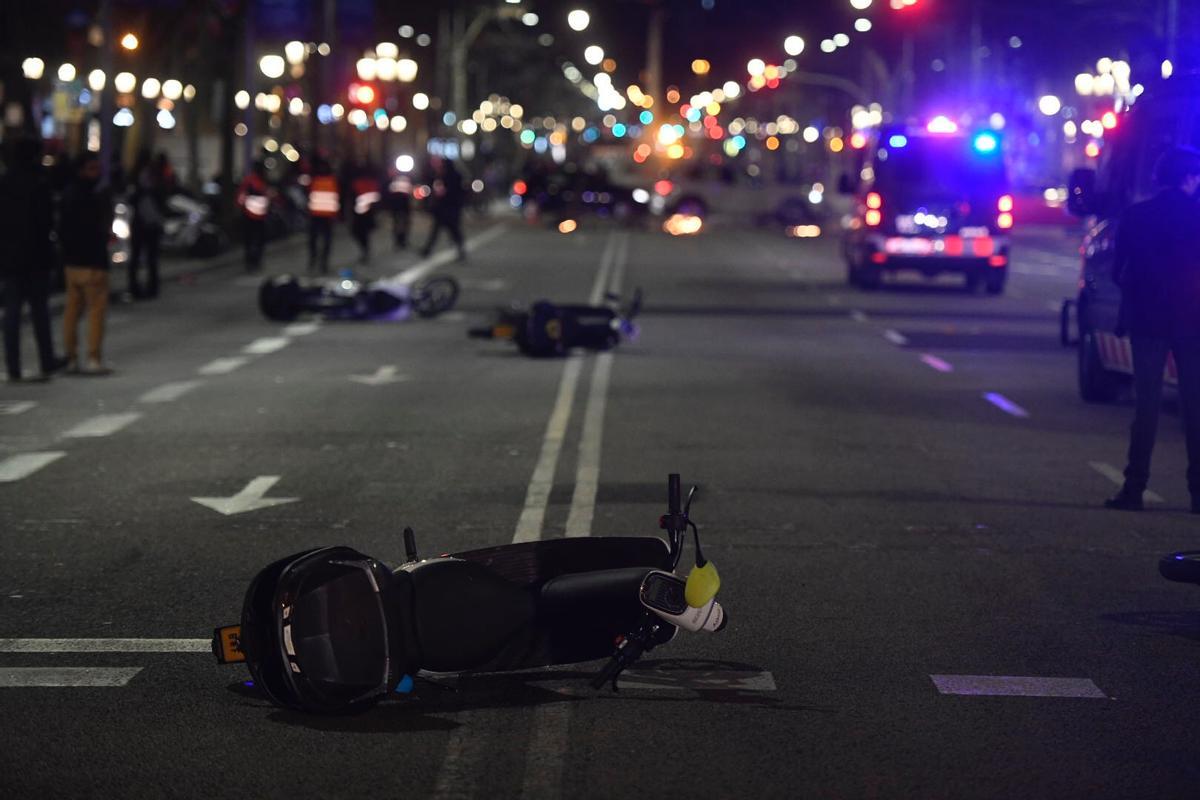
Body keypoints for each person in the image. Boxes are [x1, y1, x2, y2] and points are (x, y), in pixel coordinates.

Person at [1105, 146, 1200, 514]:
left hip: (1147, 320)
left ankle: (1134, 488)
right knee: (1195, 406)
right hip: (1193, 320)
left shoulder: (1136, 215)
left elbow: (1118, 271)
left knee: (1146, 405)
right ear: (1189, 178)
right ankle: (1197, 494)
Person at [0, 137, 61, 383]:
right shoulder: (38, 182)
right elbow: (46, 220)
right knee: (39, 311)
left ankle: (13, 364)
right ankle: (46, 359)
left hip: (10, 255)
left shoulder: (5, 182)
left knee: (12, 312)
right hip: (35, 255)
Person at [59, 153, 115, 375]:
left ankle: (71, 357)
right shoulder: (93, 196)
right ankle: (93, 357)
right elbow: (99, 228)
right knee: (95, 311)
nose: (97, 173)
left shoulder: (68, 194)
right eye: (92, 168)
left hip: (72, 262)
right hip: (92, 262)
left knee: (72, 311)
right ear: (82, 170)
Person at [128, 150, 170, 298]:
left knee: (139, 257)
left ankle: (139, 287)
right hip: (149, 223)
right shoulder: (154, 178)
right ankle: (149, 287)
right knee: (149, 257)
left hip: (142, 223)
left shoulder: (136, 179)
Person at [420, 156, 466, 261]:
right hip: (442, 208)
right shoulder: (439, 176)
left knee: (453, 231)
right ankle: (427, 249)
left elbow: (456, 192)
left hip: (450, 208)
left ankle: (460, 250)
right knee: (436, 230)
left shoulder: (453, 176)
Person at [236, 160, 272, 272]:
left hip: (252, 216)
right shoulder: (258, 181)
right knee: (256, 240)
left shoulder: (252, 180)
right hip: (255, 216)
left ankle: (252, 261)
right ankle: (253, 261)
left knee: (251, 240)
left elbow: (241, 197)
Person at [307, 155, 339, 275]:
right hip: (325, 216)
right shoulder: (331, 181)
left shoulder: (315, 180)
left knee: (316, 240)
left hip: (318, 215)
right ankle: (321, 262)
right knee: (324, 240)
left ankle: (316, 260)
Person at [346, 158, 381, 265]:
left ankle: (365, 251)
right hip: (365, 212)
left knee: (360, 232)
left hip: (362, 212)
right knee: (361, 233)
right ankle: (365, 250)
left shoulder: (360, 183)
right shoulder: (371, 183)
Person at [386, 165, 413, 250]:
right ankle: (398, 240)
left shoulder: (405, 178)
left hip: (404, 205)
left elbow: (409, 191)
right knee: (397, 223)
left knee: (404, 223)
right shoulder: (390, 180)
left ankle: (403, 240)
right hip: (396, 205)